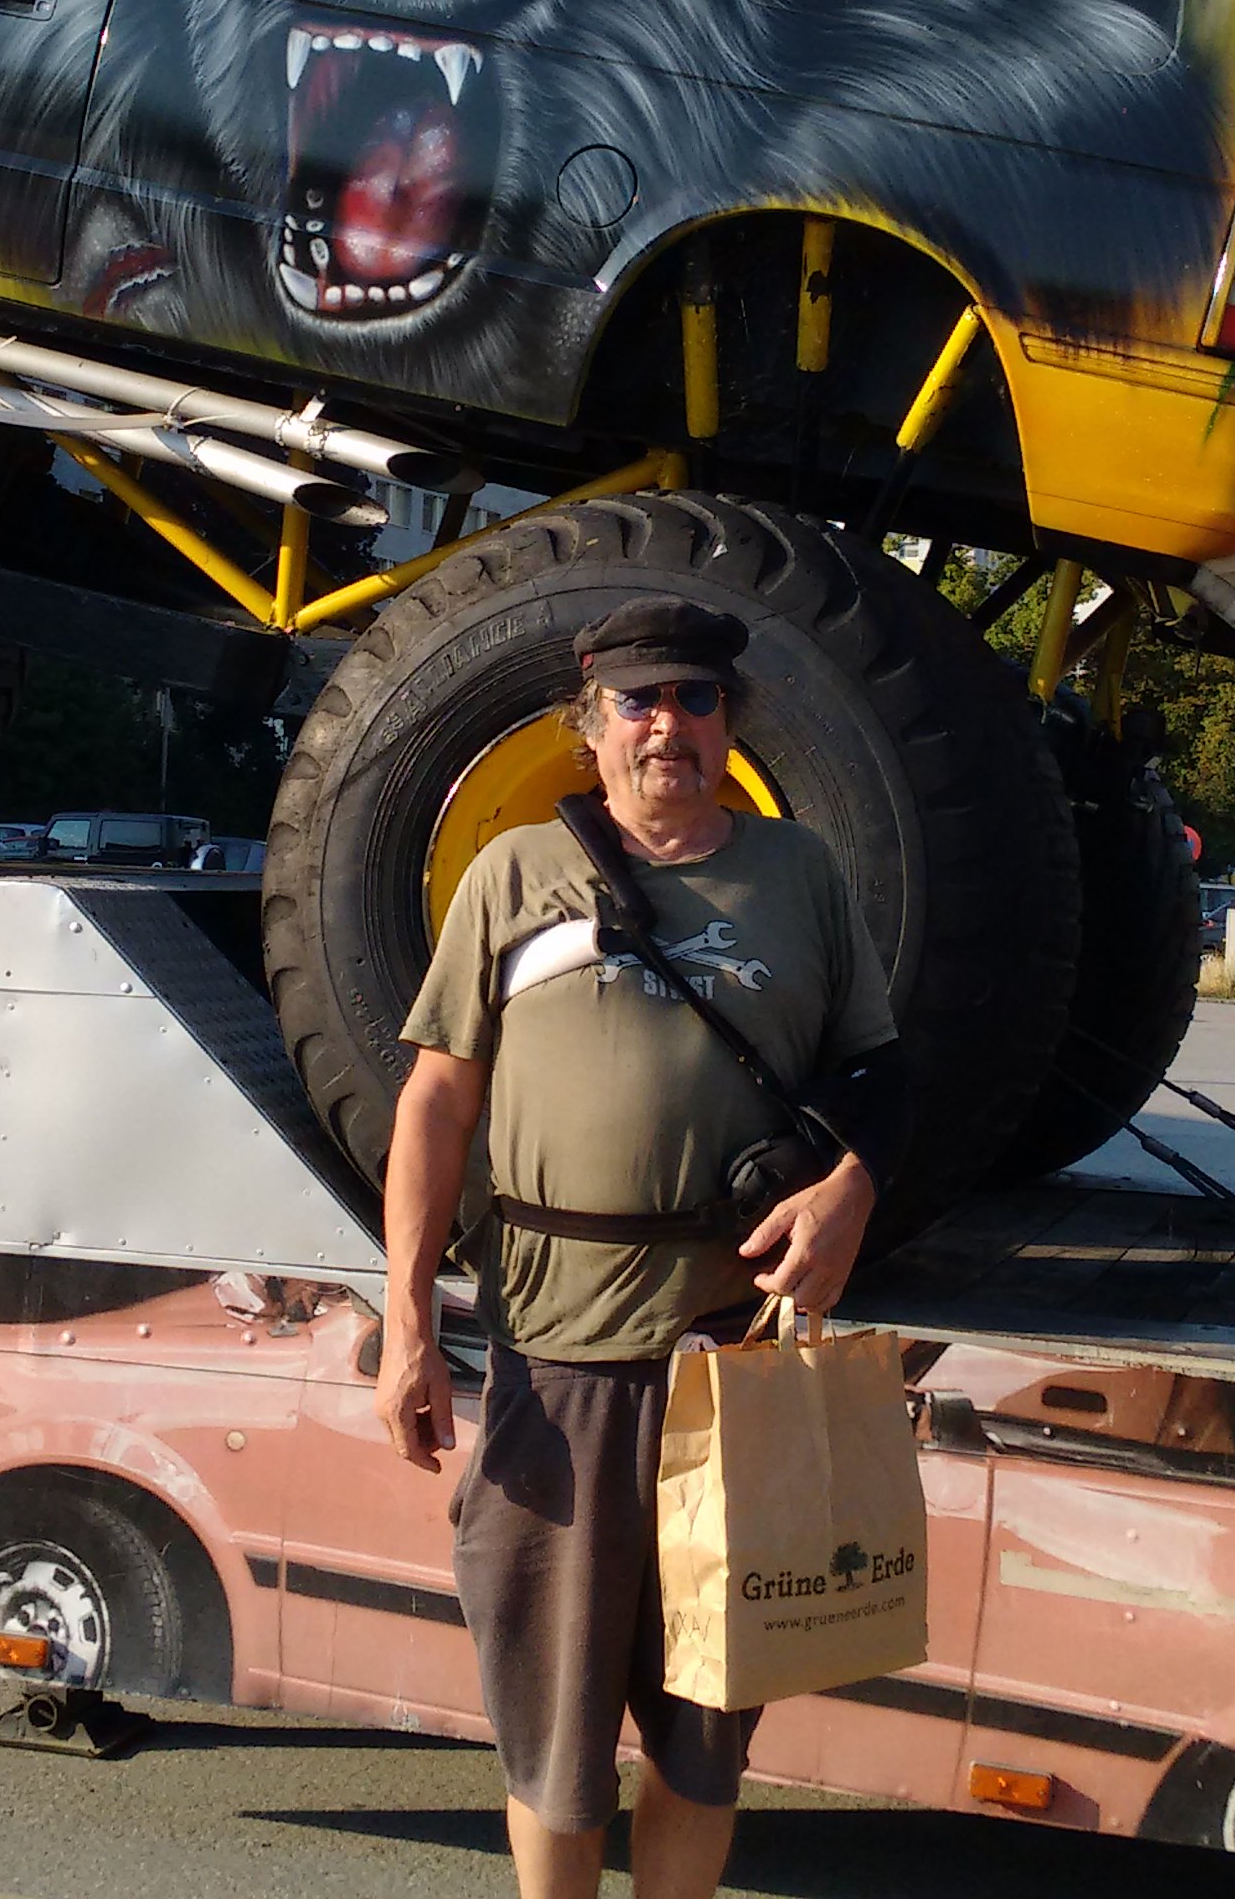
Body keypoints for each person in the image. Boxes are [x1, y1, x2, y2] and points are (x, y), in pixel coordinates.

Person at [376, 598, 912, 1899]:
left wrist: (851, 1192)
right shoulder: (512, 875)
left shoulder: (802, 876)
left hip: (733, 1380)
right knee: (554, 1745)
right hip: (555, 1372)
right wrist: (404, 1325)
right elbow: (437, 1100)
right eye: (639, 701)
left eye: (696, 700)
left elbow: (879, 1075)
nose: (667, 723)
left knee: (705, 1739)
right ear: (592, 724)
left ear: (732, 724)